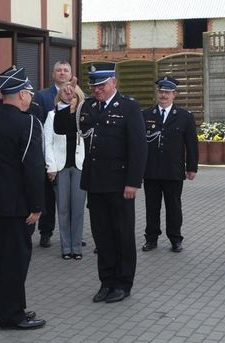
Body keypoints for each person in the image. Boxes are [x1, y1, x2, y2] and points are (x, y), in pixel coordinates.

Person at [54, 63, 146, 303]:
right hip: (95, 182)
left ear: (113, 82)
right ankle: (106, 282)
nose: (97, 90)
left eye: (102, 85)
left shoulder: (129, 107)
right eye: (94, 86)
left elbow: (138, 147)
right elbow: (61, 128)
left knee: (122, 235)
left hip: (120, 183)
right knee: (102, 236)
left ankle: (123, 284)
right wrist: (64, 101)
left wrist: (133, 182)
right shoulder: (87, 106)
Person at [0, 66, 46, 330]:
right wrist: (37, 205)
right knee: (16, 262)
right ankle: (12, 316)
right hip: (18, 205)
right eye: (28, 92)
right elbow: (33, 168)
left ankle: (8, 310)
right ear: (20, 94)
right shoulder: (28, 122)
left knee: (0, 261)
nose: (30, 97)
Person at [141, 76, 198, 253]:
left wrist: (192, 167)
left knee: (173, 207)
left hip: (173, 170)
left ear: (175, 94)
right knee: (152, 207)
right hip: (151, 170)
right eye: (161, 91)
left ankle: (175, 238)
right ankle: (151, 238)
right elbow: (139, 144)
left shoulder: (184, 116)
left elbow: (192, 144)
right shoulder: (146, 115)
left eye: (168, 92)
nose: (164, 95)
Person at [33, 60, 73, 248]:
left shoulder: (78, 94)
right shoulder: (42, 96)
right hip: (49, 155)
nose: (62, 73)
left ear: (70, 74)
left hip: (71, 157)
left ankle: (73, 234)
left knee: (71, 200)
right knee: (48, 198)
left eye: (65, 70)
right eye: (59, 70)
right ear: (53, 74)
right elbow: (39, 127)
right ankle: (46, 232)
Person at [43, 85, 86, 260]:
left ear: (79, 98)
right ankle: (66, 247)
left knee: (78, 209)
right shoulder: (52, 115)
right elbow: (47, 143)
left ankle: (77, 247)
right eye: (66, 95)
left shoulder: (84, 116)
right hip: (60, 167)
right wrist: (51, 166)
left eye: (74, 96)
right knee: (63, 209)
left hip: (80, 167)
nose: (70, 98)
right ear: (60, 97)